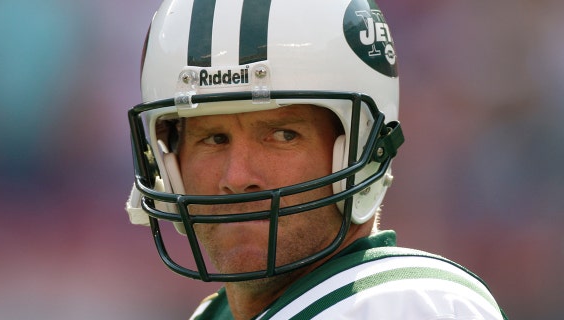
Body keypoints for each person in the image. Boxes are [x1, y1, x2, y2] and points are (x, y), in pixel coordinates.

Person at [125, 0, 508, 319]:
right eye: (214, 138)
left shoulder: (410, 305)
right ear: (168, 163)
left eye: (282, 135)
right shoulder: (214, 314)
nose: (237, 176)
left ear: (359, 148)